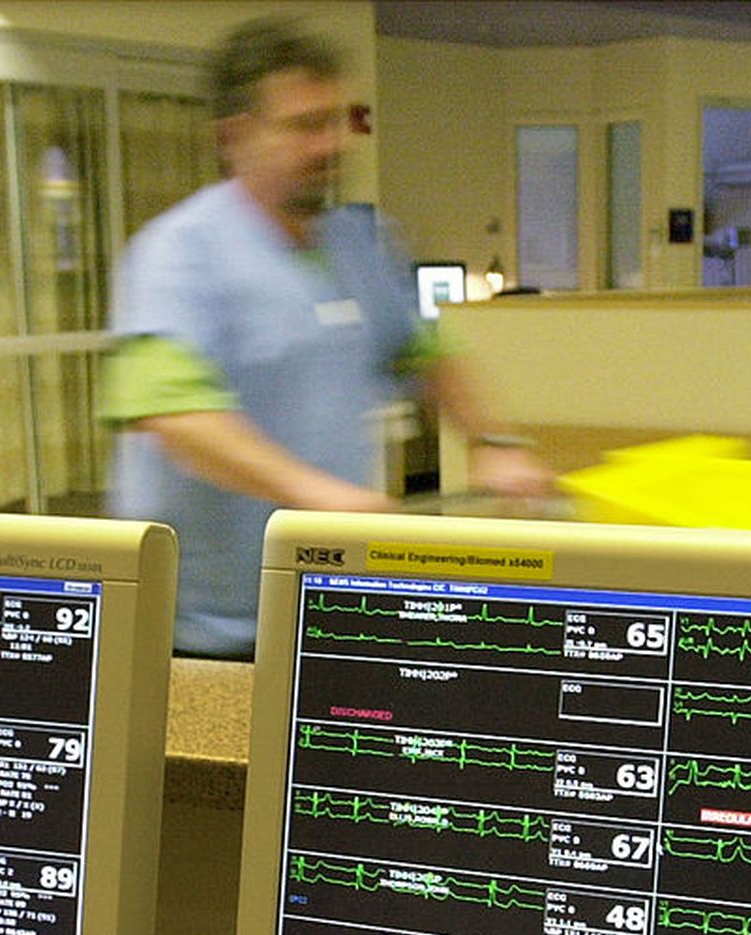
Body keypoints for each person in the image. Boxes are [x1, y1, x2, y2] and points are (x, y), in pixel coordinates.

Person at [103, 18, 548, 657]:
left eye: (337, 120)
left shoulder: (360, 241)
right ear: (234, 136)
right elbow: (174, 416)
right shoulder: (178, 253)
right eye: (304, 125)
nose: (331, 143)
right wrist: (317, 494)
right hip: (201, 628)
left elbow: (426, 352)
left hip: (322, 603)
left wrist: (493, 441)